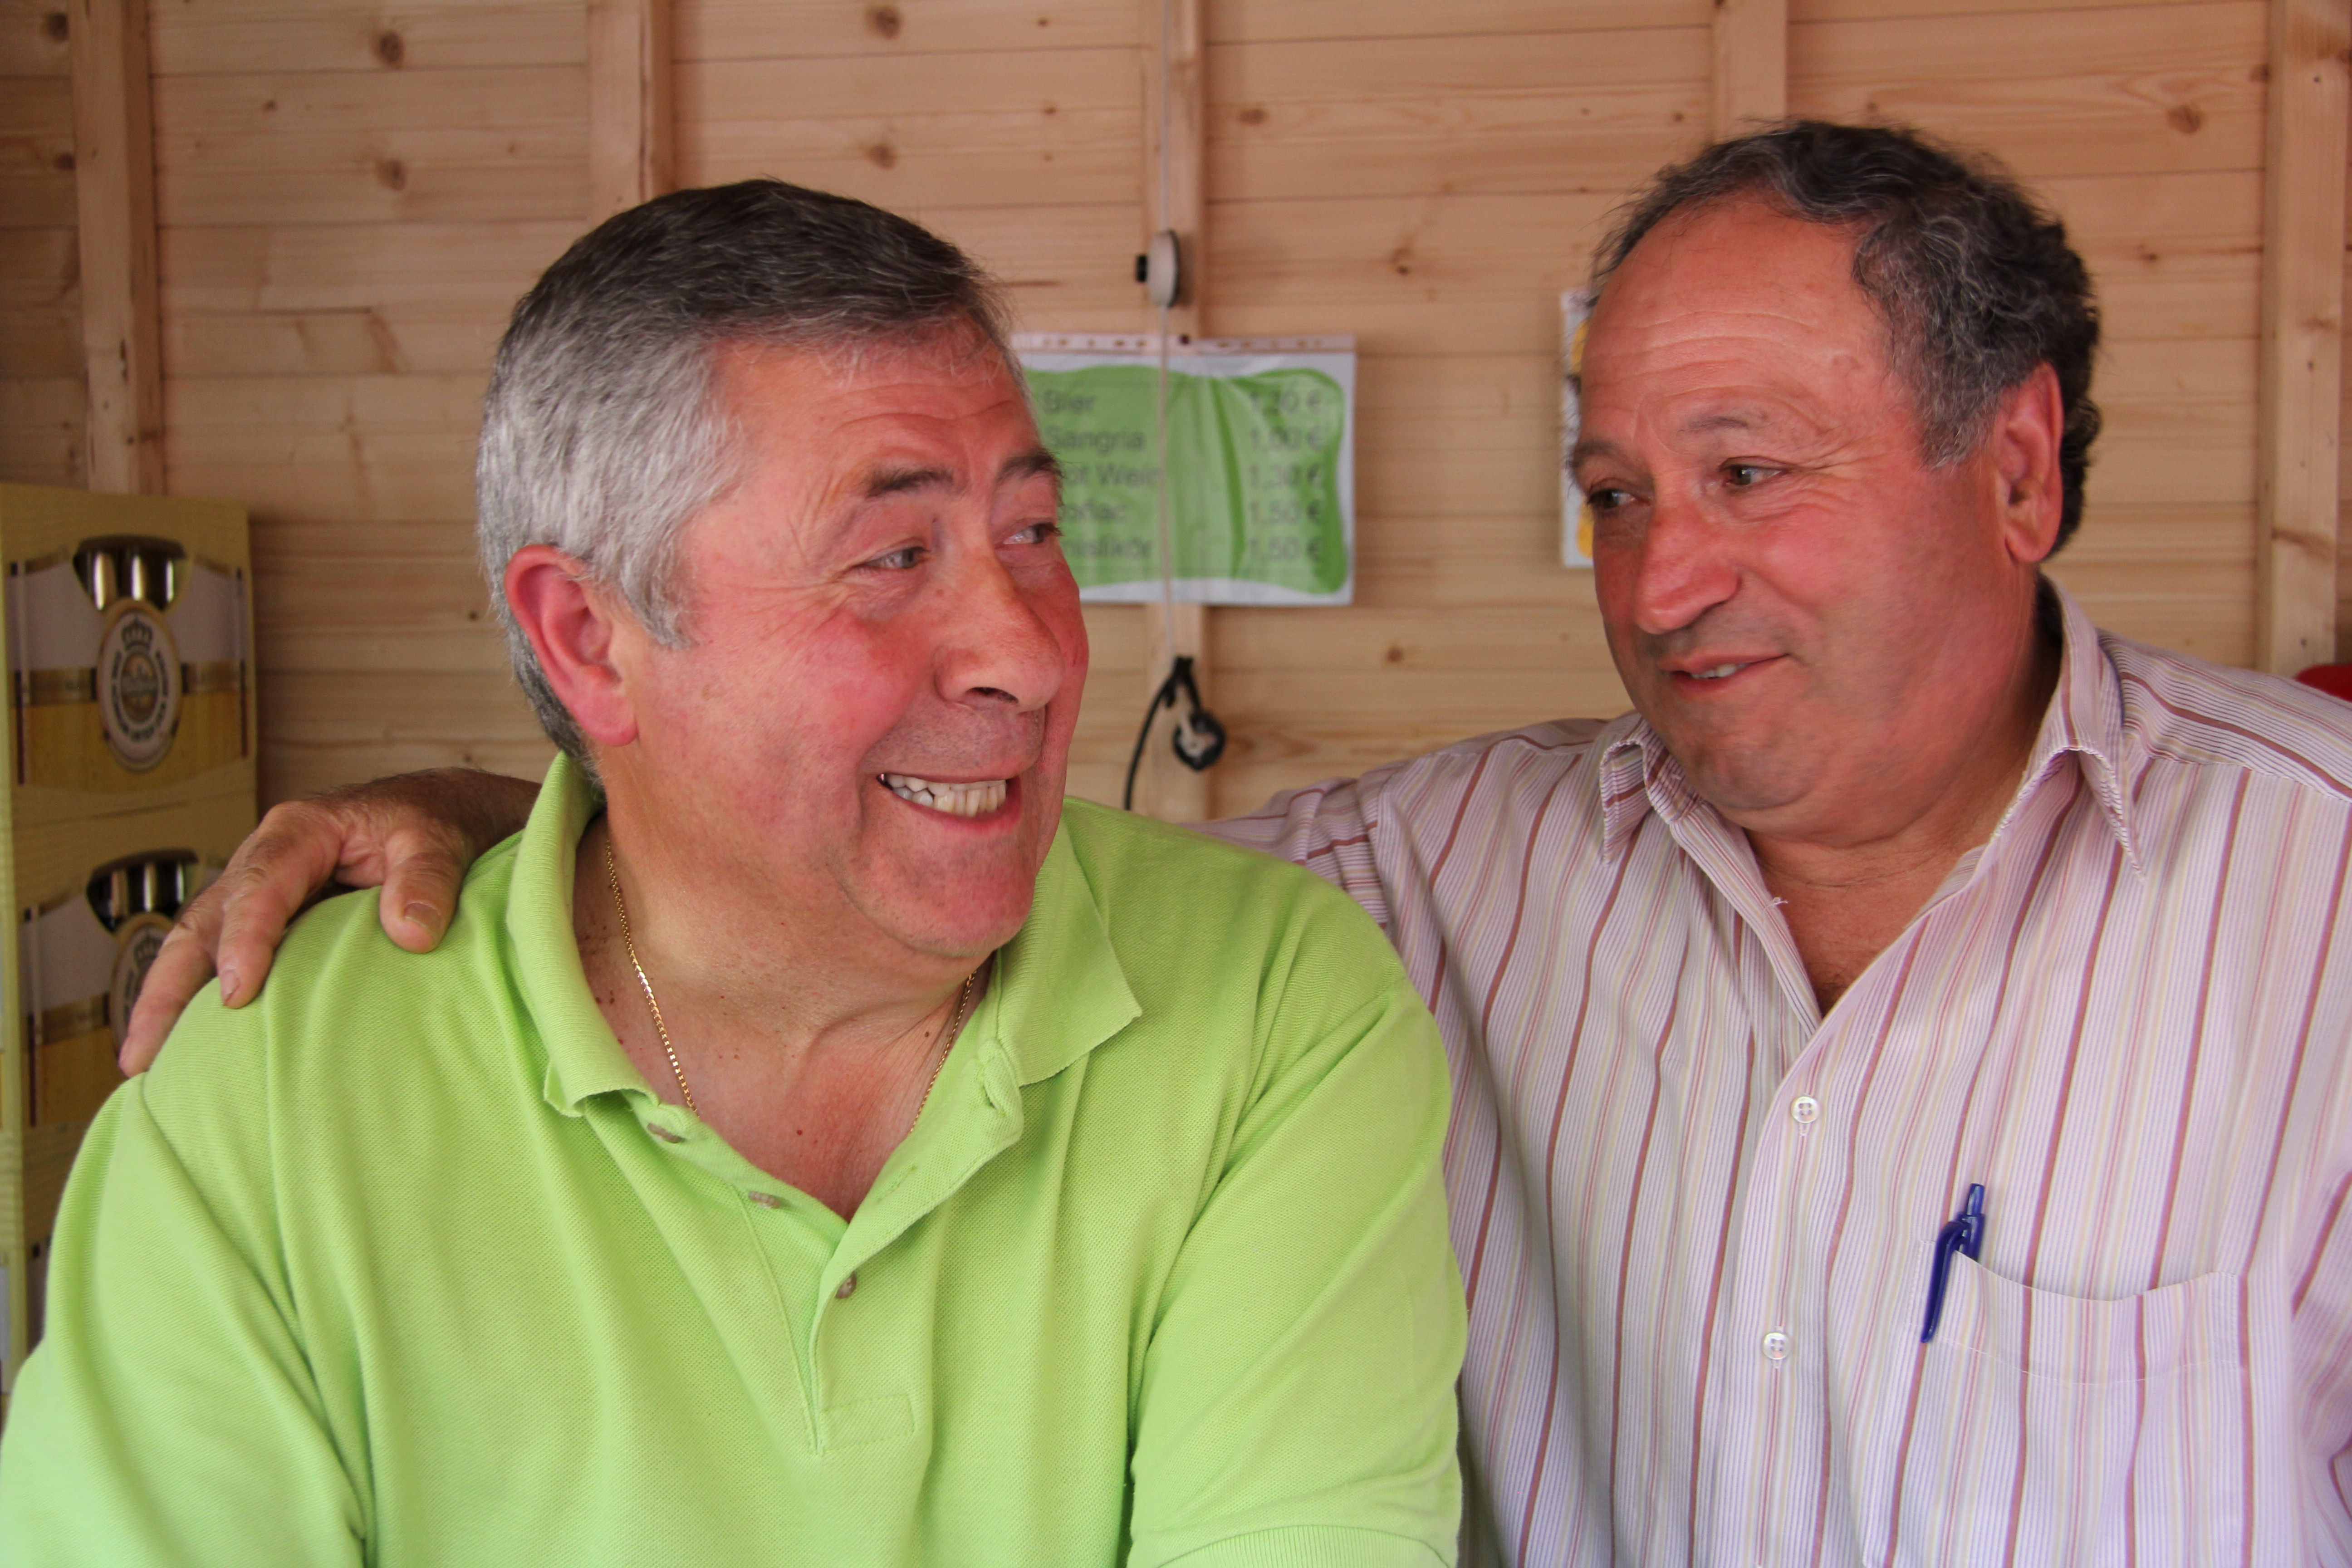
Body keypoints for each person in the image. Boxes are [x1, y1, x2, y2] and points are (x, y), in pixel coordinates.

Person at [112, 122, 2352, 1563]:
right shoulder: (1433, 879)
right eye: (1613, 496)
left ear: (2019, 470)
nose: (1663, 579)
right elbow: (866, 863)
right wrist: (545, 814)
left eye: (1749, 476)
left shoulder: (2320, 903)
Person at [0, 180, 1467, 1568]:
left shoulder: (1273, 1000)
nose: (1027, 652)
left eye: (1031, 532)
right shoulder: (265, 1103)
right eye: (891, 558)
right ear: (589, 638)